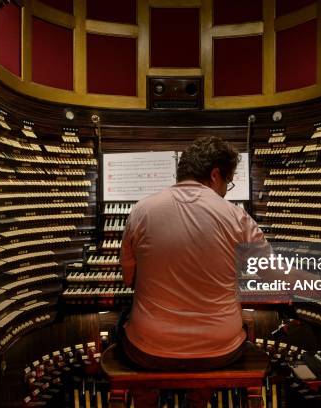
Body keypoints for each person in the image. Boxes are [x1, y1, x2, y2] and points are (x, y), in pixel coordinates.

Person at [119, 136, 267, 407]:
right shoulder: (238, 218)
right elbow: (276, 277)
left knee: (122, 325)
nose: (226, 191)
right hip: (218, 350)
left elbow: (129, 280)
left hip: (149, 350)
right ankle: (197, 399)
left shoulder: (140, 211)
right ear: (215, 174)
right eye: (228, 183)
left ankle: (145, 398)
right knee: (243, 324)